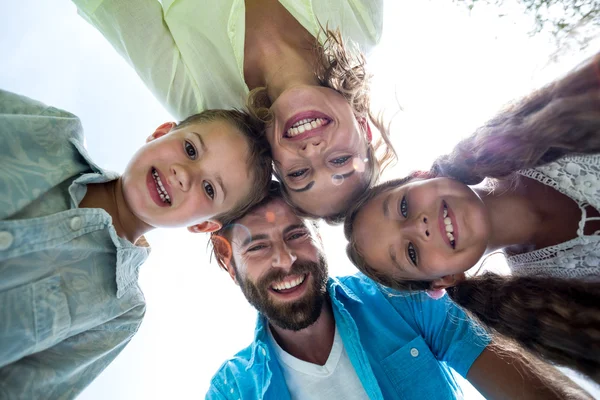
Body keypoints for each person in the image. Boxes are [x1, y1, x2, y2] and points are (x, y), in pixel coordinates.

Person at [344, 53, 600, 383]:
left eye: (403, 207)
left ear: (420, 176)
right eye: (411, 252)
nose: (417, 227)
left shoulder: (538, 127)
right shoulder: (559, 306)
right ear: (445, 280)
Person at [0, 89, 271, 398]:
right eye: (191, 149)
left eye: (209, 189)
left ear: (202, 225)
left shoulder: (120, 311)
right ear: (158, 134)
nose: (184, 175)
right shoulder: (52, 133)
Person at [205, 182, 589, 399]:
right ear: (229, 262)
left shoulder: (402, 301)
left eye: (296, 234)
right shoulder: (233, 389)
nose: (286, 260)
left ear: (319, 237)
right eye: (257, 247)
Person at [71, 0, 397, 220]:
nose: (312, 152)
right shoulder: (361, 25)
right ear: (362, 127)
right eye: (339, 161)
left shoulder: (205, 109)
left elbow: (119, 9)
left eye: (299, 174)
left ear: (275, 161)